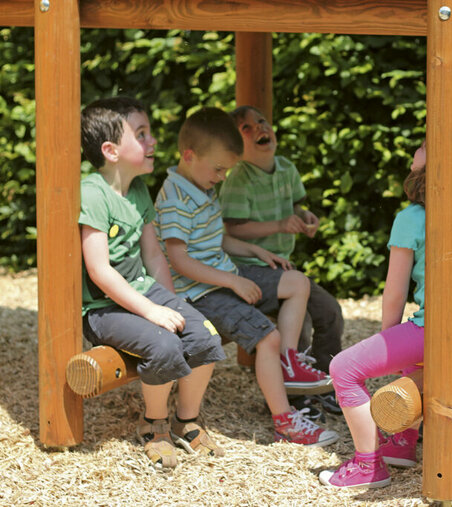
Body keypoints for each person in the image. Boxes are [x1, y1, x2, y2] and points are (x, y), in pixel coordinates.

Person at [318, 142, 452, 488]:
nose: (419, 144)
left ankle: (368, 466)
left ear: (432, 171)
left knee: (343, 369)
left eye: (424, 145)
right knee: (413, 349)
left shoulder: (412, 218)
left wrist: (385, 338)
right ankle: (401, 444)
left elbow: (395, 292)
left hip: (445, 329)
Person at [153, 107, 338, 447]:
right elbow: (179, 261)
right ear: (190, 156)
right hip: (200, 293)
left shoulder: (200, 184)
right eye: (219, 169)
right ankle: (285, 423)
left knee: (297, 282)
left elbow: (214, 237)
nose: (223, 177)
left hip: (225, 275)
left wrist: (256, 252)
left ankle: (289, 365)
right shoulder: (175, 199)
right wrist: (233, 281)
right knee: (267, 337)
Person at [79, 97, 226, 469]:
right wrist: (152, 311)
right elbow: (100, 270)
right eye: (141, 134)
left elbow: (154, 256)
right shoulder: (92, 193)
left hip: (143, 292)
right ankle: (153, 425)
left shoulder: (139, 190)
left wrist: (174, 306)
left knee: (205, 335)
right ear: (110, 151)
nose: (153, 141)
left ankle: (186, 420)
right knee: (163, 345)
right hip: (103, 308)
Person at [219, 105, 344, 415]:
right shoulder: (237, 179)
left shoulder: (287, 168)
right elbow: (232, 228)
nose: (259, 128)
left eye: (262, 121)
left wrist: (305, 217)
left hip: (284, 268)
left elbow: (297, 208)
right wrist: (279, 225)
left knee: (330, 312)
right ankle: (293, 398)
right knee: (298, 326)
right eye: (246, 128)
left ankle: (324, 384)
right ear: (235, 145)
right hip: (250, 271)